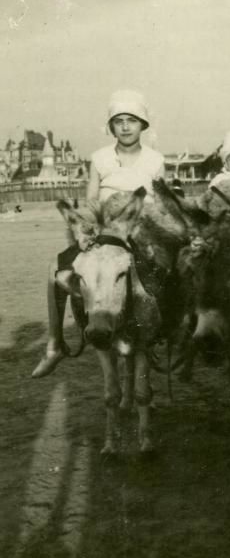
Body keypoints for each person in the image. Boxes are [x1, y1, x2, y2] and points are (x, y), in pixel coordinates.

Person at [32, 89, 165, 378]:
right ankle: (55, 344)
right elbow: (92, 202)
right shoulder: (100, 158)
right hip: (105, 230)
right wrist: (85, 230)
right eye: (119, 121)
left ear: (143, 125)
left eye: (132, 120)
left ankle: (158, 336)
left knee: (169, 271)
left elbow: (161, 202)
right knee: (56, 267)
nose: (126, 126)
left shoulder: (155, 160)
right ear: (111, 127)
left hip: (142, 228)